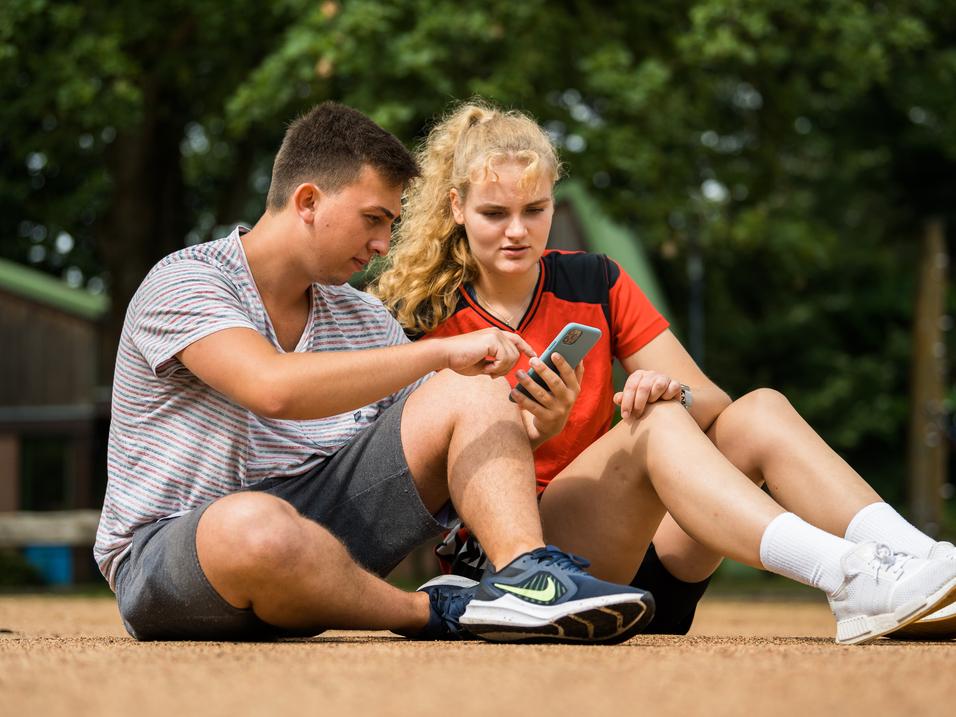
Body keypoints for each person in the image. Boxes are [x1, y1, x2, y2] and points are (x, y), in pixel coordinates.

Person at [371, 100, 956, 644]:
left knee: (757, 409)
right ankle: (851, 578)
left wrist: (667, 391)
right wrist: (534, 435)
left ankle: (926, 563)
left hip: (644, 554)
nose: (517, 231)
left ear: (555, 200)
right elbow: (410, 479)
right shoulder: (422, 317)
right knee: (655, 428)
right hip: (527, 572)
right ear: (456, 207)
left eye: (535, 209)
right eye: (494, 213)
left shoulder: (594, 279)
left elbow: (715, 404)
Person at [93, 102, 656, 644]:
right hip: (177, 556)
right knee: (255, 526)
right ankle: (436, 610)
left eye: (390, 223)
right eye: (373, 220)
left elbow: (454, 434)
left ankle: (526, 581)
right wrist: (437, 353)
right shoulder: (186, 281)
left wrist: (540, 428)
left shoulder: (361, 315)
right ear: (308, 200)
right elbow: (273, 388)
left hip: (325, 545)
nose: (383, 244)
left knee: (469, 390)